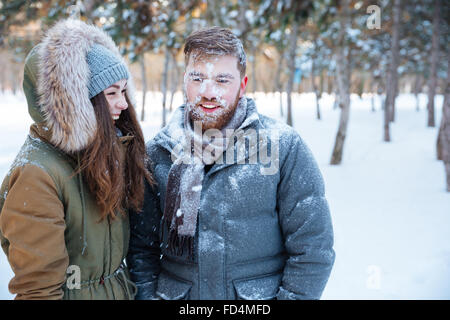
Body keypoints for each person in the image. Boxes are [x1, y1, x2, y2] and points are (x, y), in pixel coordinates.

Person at [127, 26, 335, 300]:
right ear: (184, 81)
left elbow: (313, 248)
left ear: (242, 85)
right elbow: (142, 249)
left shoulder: (282, 147)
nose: (208, 91)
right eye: (197, 78)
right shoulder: (158, 152)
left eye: (222, 80)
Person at [0, 18, 152, 300]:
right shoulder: (37, 173)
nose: (124, 103)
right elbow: (38, 291)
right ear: (79, 101)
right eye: (112, 93)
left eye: (124, 91)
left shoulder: (103, 155)